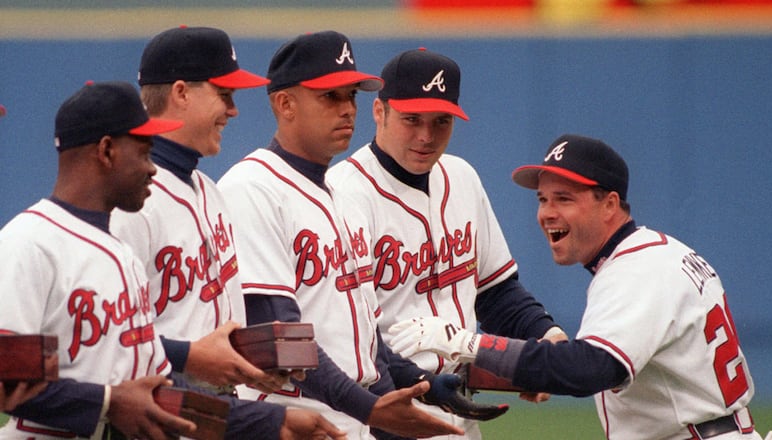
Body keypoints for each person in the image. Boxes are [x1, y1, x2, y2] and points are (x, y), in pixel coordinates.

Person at [0, 80, 346, 439]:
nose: (153, 169)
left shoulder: (123, 258)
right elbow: (7, 382)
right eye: (144, 152)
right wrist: (109, 402)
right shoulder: (29, 244)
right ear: (106, 151)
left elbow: (159, 398)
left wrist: (273, 422)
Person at [388, 134, 772, 440]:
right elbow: (583, 365)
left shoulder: (636, 271)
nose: (547, 213)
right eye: (543, 199)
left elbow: (589, 369)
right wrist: (480, 369)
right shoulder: (654, 253)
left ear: (609, 204)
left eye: (565, 198)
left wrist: (467, 344)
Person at [218, 31, 505, 440]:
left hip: (349, 420)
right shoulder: (252, 188)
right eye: (329, 96)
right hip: (290, 418)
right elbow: (278, 337)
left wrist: (420, 387)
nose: (346, 110)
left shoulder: (341, 198)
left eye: (350, 95)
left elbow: (367, 340)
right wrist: (370, 406)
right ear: (285, 104)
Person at [326, 48, 567, 439]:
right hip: (383, 411)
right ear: (379, 112)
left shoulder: (462, 177)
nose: (426, 135)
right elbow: (347, 333)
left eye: (441, 121)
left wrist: (545, 340)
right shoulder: (342, 193)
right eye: (411, 120)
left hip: (459, 407)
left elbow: (496, 292)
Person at [110, 25, 291, 395]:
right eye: (224, 94)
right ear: (180, 93)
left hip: (219, 408)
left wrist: (252, 363)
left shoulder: (209, 190)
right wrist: (189, 356)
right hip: (158, 413)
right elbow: (108, 339)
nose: (234, 110)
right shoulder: (127, 203)